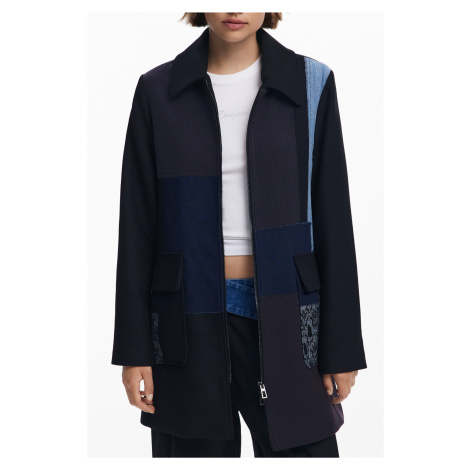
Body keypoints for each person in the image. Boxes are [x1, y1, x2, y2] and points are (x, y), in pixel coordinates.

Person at [111, 12, 367, 458]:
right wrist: (135, 349)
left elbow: (333, 219)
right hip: (184, 316)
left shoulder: (310, 83)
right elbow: (137, 225)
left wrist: (341, 348)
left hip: (288, 311)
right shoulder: (158, 90)